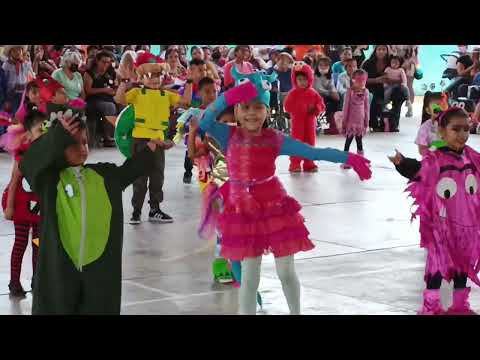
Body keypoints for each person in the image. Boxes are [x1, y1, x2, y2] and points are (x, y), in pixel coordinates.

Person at [198, 71, 372, 315]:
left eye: (258, 107)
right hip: (244, 211)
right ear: (236, 111)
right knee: (249, 277)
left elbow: (314, 153)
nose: (251, 113)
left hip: (274, 209)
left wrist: (350, 158)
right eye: (245, 107)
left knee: (286, 271)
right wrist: (229, 96)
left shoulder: (275, 139)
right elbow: (204, 121)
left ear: (267, 111)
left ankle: (295, 312)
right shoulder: (228, 135)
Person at [19, 106, 165, 314]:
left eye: (85, 142)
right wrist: (57, 136)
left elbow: (131, 170)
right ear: (57, 147)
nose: (82, 148)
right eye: (72, 144)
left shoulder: (104, 175)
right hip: (60, 272)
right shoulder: (49, 181)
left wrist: (152, 146)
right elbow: (29, 163)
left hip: (100, 272)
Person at [389, 107, 480, 315]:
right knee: (436, 268)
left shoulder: (471, 158)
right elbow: (420, 171)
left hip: (466, 226)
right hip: (441, 227)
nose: (463, 134)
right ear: (441, 131)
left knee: (461, 266)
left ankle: (460, 304)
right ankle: (431, 306)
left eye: (466, 129)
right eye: (456, 129)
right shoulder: (437, 158)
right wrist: (402, 163)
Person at [115, 52, 192, 224]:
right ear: (141, 77)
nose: (154, 79)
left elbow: (186, 102)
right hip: (141, 141)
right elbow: (119, 98)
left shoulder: (166, 95)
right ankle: (136, 211)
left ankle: (154, 209)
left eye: (157, 75)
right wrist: (123, 81)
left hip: (159, 143)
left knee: (157, 177)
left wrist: (190, 81)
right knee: (140, 178)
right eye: (149, 75)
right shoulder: (137, 92)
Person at [1, 110, 44, 296]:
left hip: (39, 207)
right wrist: (9, 207)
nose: (44, 134)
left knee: (38, 243)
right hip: (21, 206)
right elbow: (14, 180)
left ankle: (37, 278)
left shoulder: (48, 154)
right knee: (20, 244)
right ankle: (14, 281)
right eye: (40, 130)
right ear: (28, 134)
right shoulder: (23, 154)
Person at [284, 62, 325, 172]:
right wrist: (299, 108)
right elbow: (287, 106)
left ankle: (309, 163)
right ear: (295, 80)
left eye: (305, 79)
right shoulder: (293, 93)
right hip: (297, 123)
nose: (302, 82)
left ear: (310, 79)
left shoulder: (313, 93)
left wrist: (316, 108)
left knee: (310, 142)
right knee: (297, 142)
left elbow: (321, 104)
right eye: (300, 79)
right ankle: (295, 163)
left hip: (310, 123)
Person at [83, 50, 117, 147]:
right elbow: (88, 90)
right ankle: (107, 137)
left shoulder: (110, 72)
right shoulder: (89, 73)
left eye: (108, 62)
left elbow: (114, 86)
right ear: (97, 61)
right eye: (103, 62)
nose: (105, 65)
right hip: (93, 100)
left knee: (123, 105)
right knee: (109, 107)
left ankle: (120, 135)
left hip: (109, 98)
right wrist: (104, 90)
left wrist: (114, 91)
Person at [340, 69, 370, 169]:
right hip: (350, 123)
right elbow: (345, 108)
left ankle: (361, 160)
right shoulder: (349, 92)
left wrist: (366, 121)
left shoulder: (366, 92)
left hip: (360, 123)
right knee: (348, 141)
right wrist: (344, 122)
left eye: (363, 80)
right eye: (358, 80)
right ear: (353, 80)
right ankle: (345, 160)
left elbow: (366, 108)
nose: (361, 82)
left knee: (359, 141)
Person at [362, 45, 391, 131]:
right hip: (371, 88)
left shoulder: (392, 62)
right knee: (373, 97)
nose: (381, 51)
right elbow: (362, 80)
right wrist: (376, 80)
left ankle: (391, 123)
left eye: (384, 49)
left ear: (387, 51)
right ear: (375, 51)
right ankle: (373, 123)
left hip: (387, 88)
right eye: (379, 49)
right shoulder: (368, 63)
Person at [313, 56, 340, 134]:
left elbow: (332, 87)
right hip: (316, 96)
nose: (323, 67)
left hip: (326, 96)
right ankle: (326, 126)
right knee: (326, 103)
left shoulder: (329, 77)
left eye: (326, 65)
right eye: (321, 65)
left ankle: (331, 125)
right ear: (317, 66)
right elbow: (317, 89)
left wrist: (334, 93)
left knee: (335, 101)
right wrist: (330, 93)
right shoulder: (315, 76)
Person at [415, 92, 448, 156]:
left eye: (443, 106)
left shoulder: (450, 125)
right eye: (437, 106)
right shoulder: (424, 128)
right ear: (428, 111)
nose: (440, 109)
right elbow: (421, 151)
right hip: (431, 162)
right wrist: (434, 147)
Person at [2, 45, 33, 115]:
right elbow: (4, 82)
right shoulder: (6, 65)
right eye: (14, 50)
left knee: (22, 113)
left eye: (19, 50)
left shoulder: (25, 64)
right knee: (12, 113)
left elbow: (31, 75)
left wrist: (28, 62)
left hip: (23, 94)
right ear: (10, 53)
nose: (18, 52)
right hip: (11, 95)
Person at [402, 46, 419, 117]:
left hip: (409, 66)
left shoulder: (413, 47)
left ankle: (410, 107)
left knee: (408, 86)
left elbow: (414, 57)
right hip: (399, 64)